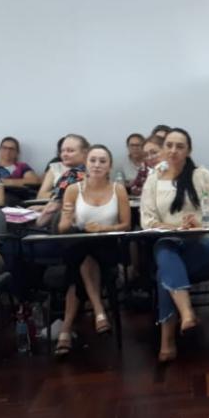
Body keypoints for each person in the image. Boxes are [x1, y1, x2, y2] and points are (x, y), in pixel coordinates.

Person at [139, 128, 209, 363]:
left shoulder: (201, 175)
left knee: (164, 261)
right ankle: (186, 313)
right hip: (170, 244)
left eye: (180, 146)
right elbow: (147, 219)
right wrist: (165, 226)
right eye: (169, 145)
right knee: (165, 253)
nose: (173, 150)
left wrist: (200, 221)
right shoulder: (154, 178)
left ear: (188, 150)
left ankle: (168, 339)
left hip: (201, 246)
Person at [54, 145, 132, 356]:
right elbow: (62, 228)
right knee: (82, 254)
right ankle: (99, 311)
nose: (97, 165)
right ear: (86, 164)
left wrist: (104, 228)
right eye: (93, 160)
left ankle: (66, 331)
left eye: (102, 161)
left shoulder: (118, 189)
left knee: (80, 266)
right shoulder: (73, 189)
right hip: (79, 243)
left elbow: (126, 225)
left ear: (109, 166)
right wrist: (68, 218)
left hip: (108, 245)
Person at [36, 134, 89, 200]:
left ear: (85, 153)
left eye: (70, 151)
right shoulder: (55, 167)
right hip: (54, 206)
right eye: (62, 151)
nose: (64, 154)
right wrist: (61, 196)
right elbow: (41, 196)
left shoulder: (95, 168)